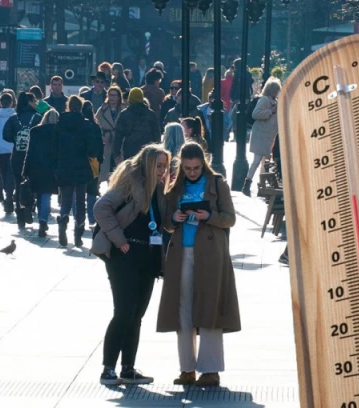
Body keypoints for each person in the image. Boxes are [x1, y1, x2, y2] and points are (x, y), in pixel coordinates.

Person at [157, 142, 240, 387]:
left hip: (211, 253)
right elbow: (167, 224)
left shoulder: (217, 183)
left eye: (196, 168)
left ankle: (210, 370)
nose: (192, 172)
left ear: (203, 163)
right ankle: (187, 369)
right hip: (182, 252)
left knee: (210, 308)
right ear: (181, 166)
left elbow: (230, 219)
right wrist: (174, 218)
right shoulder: (176, 186)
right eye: (188, 168)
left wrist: (209, 216)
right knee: (182, 309)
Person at [91, 144, 170, 385]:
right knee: (123, 312)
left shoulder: (158, 189)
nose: (162, 171)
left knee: (137, 315)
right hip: (123, 256)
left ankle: (128, 368)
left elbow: (160, 221)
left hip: (148, 257)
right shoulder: (130, 183)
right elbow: (100, 208)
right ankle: (108, 369)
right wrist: (119, 240)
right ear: (147, 164)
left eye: (165, 166)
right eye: (158, 166)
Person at [54, 96, 98, 247]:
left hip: (64, 165)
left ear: (68, 106)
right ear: (80, 107)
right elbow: (92, 149)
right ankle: (78, 235)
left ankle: (63, 218)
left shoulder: (60, 123)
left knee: (66, 199)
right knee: (80, 202)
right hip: (81, 166)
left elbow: (56, 146)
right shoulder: (86, 125)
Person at [3, 92, 42, 229]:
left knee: (18, 183)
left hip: (17, 155)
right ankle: (29, 207)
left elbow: (5, 135)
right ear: (30, 102)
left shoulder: (14, 118)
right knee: (33, 183)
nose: (36, 102)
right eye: (35, 100)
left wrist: (15, 140)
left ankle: (20, 215)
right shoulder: (38, 117)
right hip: (33, 155)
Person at [22, 109, 59, 237]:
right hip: (51, 168)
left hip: (35, 167)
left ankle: (36, 215)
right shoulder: (59, 132)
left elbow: (29, 151)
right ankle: (42, 220)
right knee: (46, 195)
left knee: (38, 193)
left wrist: (25, 169)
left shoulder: (35, 131)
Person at [241, 77, 281, 196]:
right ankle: (247, 184)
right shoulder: (264, 100)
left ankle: (262, 187)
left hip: (269, 136)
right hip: (260, 135)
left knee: (266, 162)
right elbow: (255, 114)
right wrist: (270, 111)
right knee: (257, 161)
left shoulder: (276, 102)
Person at [114, 88, 161, 163]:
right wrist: (157, 152)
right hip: (147, 150)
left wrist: (117, 154)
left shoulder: (125, 114)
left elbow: (118, 136)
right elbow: (157, 134)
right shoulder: (151, 114)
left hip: (130, 149)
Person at [82, 101, 104, 227]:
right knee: (92, 190)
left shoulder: (79, 126)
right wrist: (100, 159)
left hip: (80, 161)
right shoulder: (95, 127)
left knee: (79, 190)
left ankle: (78, 217)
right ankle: (91, 217)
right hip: (94, 162)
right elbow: (100, 145)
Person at [96, 86, 125, 183]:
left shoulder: (124, 109)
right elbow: (97, 124)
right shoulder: (102, 109)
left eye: (114, 95)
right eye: (110, 95)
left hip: (120, 140)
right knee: (105, 166)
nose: (112, 97)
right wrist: (102, 135)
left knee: (118, 166)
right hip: (106, 140)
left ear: (118, 97)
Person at [0, 92, 16, 214]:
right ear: (12, 102)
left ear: (0, 103)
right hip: (11, 149)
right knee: (10, 174)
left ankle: (4, 193)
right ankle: (9, 196)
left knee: (2, 174)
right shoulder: (15, 116)